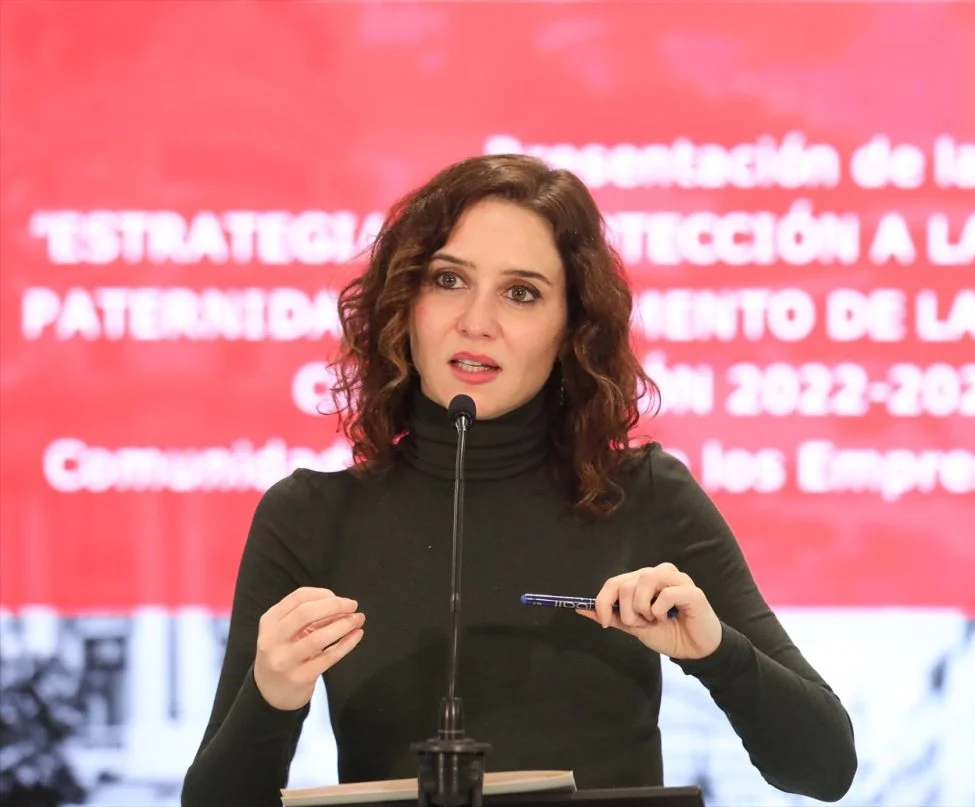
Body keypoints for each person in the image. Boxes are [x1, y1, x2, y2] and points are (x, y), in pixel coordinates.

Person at [180, 154, 857, 806]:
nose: (476, 321)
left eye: (521, 293)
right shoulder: (309, 517)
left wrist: (715, 651)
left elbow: (826, 767)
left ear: (571, 331)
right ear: (404, 301)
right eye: (448, 280)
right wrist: (267, 694)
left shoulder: (645, 495)